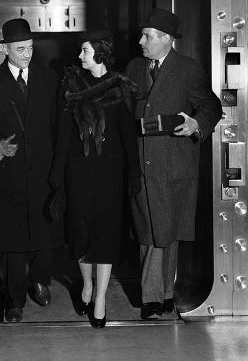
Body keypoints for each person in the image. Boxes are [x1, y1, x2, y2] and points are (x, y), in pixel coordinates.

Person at [126, 8, 223, 321]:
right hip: (142, 162)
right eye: (143, 35)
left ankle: (162, 295)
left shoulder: (188, 69)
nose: (141, 41)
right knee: (149, 232)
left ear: (166, 39)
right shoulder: (134, 67)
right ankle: (154, 298)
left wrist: (196, 125)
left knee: (166, 231)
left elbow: (210, 105)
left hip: (173, 163)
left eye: (148, 36)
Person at [0, 18, 63, 323]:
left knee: (44, 230)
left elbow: (57, 127)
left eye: (30, 48)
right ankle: (14, 298)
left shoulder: (49, 80)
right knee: (11, 238)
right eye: (20, 49)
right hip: (6, 173)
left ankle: (41, 280)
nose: (27, 54)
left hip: (42, 171)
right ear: (4, 48)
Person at [50, 31, 141, 328]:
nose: (79, 56)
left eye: (84, 51)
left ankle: (100, 297)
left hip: (110, 173)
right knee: (80, 234)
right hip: (78, 172)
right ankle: (86, 284)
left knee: (106, 235)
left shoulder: (119, 86)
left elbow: (128, 134)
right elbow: (62, 135)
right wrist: (57, 175)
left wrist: (134, 172)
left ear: (99, 54)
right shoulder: (70, 85)